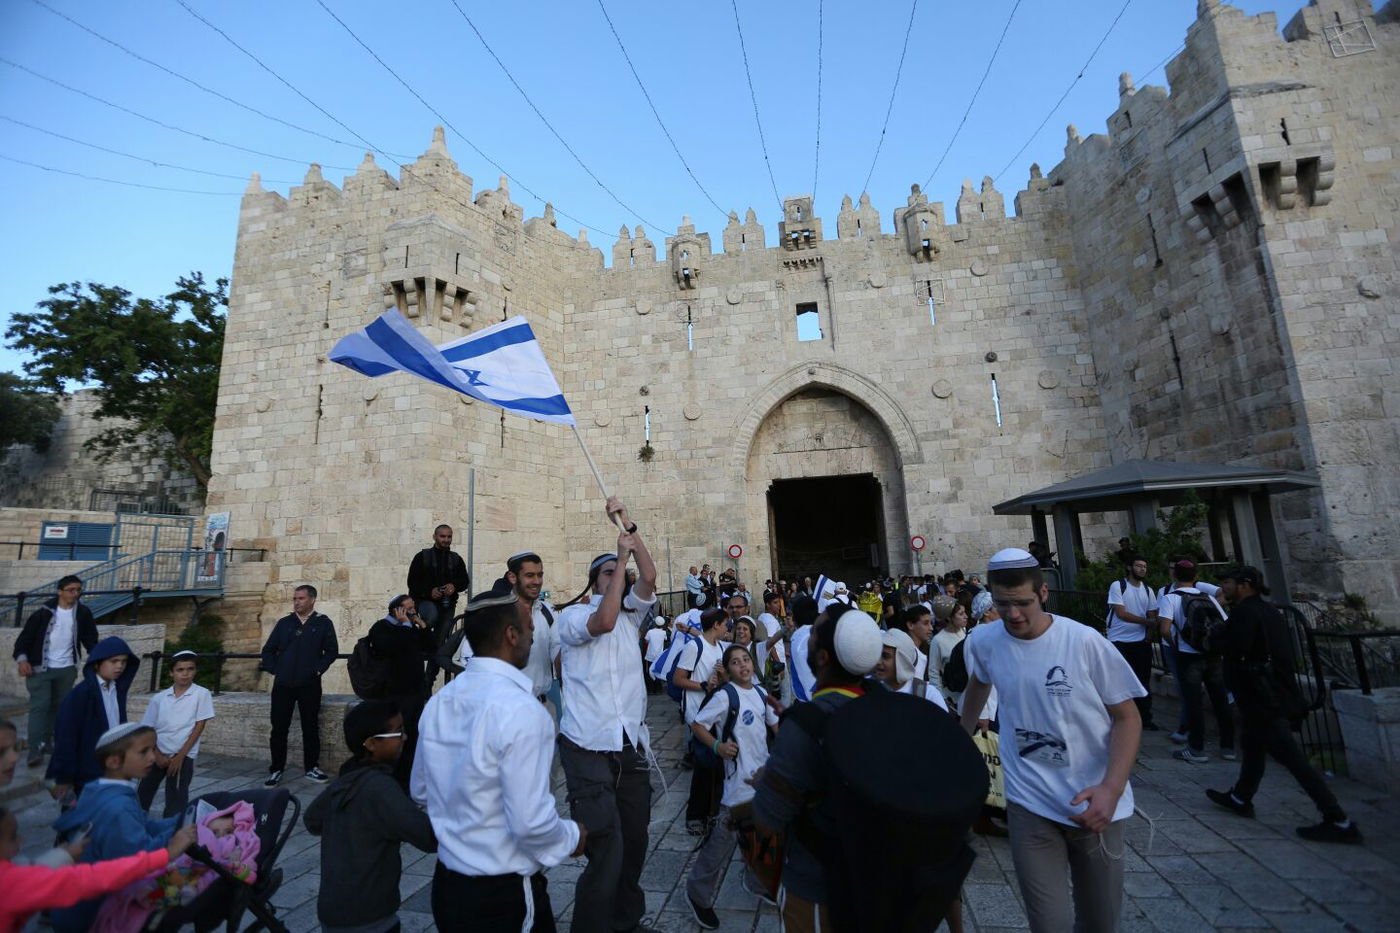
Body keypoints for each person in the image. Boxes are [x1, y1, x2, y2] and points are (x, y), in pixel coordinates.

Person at [958, 548, 1145, 933]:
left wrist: (1111, 788)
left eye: (1023, 603)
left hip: (1094, 804)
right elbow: (979, 681)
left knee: (1099, 921)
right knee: (1049, 924)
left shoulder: (1084, 642)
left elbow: (1128, 718)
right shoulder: (984, 640)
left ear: (1043, 594)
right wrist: (959, 740)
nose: (1013, 615)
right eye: (1002, 604)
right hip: (1030, 804)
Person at [416, 590, 585, 932]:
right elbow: (530, 823)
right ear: (511, 635)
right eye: (529, 629)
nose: (533, 636)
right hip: (501, 892)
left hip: (448, 884)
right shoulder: (522, 710)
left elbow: (421, 790)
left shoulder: (440, 701)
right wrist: (573, 837)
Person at [555, 498, 657, 933]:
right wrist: (618, 556)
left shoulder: (634, 613)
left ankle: (626, 921)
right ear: (593, 582)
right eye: (608, 575)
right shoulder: (574, 617)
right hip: (587, 745)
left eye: (619, 576)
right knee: (605, 844)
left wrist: (631, 530)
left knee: (634, 841)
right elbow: (604, 621)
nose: (618, 578)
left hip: (627, 741)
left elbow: (649, 576)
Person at [752, 604, 885, 931]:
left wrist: (767, 778)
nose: (806, 637)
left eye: (812, 634)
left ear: (823, 657)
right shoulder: (885, 703)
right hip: (881, 877)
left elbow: (768, 820)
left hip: (818, 886)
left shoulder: (805, 726)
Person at [1205, 566, 1362, 844]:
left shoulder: (1245, 612)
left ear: (1244, 585)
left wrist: (1215, 636)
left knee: (1294, 760)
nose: (1223, 589)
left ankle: (1338, 819)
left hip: (1261, 699)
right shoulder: (1271, 611)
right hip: (1267, 694)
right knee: (1251, 746)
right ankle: (1241, 797)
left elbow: (1236, 648)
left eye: (1227, 583)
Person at [306, 699, 438, 933]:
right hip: (369, 915)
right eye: (397, 733)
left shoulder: (346, 779)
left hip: (332, 909)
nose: (404, 738)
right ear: (370, 743)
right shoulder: (380, 789)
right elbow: (427, 836)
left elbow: (313, 820)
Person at [50, 723, 187, 933]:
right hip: (93, 913)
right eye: (144, 751)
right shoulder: (117, 808)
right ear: (114, 761)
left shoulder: (101, 789)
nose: (152, 757)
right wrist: (177, 837)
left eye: (153, 749)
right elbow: (138, 859)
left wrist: (178, 823)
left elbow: (143, 824)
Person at [684, 644, 780, 929]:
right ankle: (698, 894)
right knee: (721, 844)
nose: (743, 666)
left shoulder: (762, 694)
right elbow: (698, 725)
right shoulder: (726, 696)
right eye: (736, 662)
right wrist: (717, 745)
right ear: (727, 670)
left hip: (761, 783)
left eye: (746, 660)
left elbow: (777, 728)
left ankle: (756, 881)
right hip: (737, 784)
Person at [1, 804, 197, 933]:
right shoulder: (11, 883)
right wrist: (166, 854)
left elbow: (31, 877)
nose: (21, 841)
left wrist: (63, 856)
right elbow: (97, 876)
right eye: (12, 837)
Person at [12, 575, 98, 768]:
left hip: (67, 669)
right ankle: (35, 748)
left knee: (59, 707)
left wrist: (97, 658)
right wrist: (22, 660)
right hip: (40, 669)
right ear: (60, 591)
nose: (75, 594)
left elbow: (90, 638)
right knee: (40, 707)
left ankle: (48, 741)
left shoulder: (83, 613)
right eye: (71, 590)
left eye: (78, 590)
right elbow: (23, 641)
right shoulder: (43, 613)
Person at [260, 584, 339, 786]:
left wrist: (317, 670)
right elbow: (268, 650)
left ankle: (311, 767)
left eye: (301, 598)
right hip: (283, 684)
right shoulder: (284, 623)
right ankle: (276, 769)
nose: (297, 602)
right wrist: (275, 669)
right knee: (279, 728)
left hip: (309, 684)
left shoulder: (323, 623)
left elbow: (331, 651)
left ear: (312, 600)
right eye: (295, 598)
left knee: (310, 727)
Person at [1157, 559, 1235, 763]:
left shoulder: (1170, 598)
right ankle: (1228, 747)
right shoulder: (1208, 597)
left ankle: (1196, 748)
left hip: (1188, 656)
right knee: (1220, 699)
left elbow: (1164, 629)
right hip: (1212, 655)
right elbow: (1225, 624)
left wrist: (1174, 645)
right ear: (1196, 577)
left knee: (1193, 701)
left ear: (1174, 576)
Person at [47, 635, 138, 801]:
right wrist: (64, 776)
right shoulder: (80, 695)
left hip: (113, 769)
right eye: (114, 661)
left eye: (124, 661)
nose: (120, 666)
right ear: (97, 664)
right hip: (87, 774)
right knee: (81, 820)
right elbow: (66, 737)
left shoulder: (117, 691)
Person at [368, 595, 436, 786]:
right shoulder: (382, 628)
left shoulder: (411, 627)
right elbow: (394, 647)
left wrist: (422, 626)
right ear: (397, 611)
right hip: (395, 693)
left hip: (415, 692)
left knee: (414, 738)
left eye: (413, 607)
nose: (413, 610)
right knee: (396, 738)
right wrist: (406, 626)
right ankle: (394, 781)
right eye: (409, 608)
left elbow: (431, 647)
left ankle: (410, 780)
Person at [137, 650, 215, 817]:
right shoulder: (160, 698)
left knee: (177, 797)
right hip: (157, 752)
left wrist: (180, 756)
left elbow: (199, 726)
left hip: (183, 754)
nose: (185, 674)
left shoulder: (201, 694)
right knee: (144, 792)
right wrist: (157, 754)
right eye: (180, 670)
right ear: (171, 672)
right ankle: (135, 826)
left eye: (190, 669)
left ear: (195, 670)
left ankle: (172, 833)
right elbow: (147, 728)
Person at [674, 608, 731, 834]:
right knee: (705, 767)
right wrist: (703, 686)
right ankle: (696, 815)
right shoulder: (694, 647)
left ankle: (712, 813)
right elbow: (679, 679)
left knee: (716, 767)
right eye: (726, 623)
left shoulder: (719, 648)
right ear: (716, 624)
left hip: (716, 714)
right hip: (699, 715)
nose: (728, 628)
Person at [1106, 557, 1160, 731]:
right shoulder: (1118, 586)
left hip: (1140, 640)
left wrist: (1148, 635)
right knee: (1119, 681)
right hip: (1119, 639)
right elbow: (1121, 613)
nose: (1142, 569)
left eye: (1145, 566)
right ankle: (1119, 717)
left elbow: (1152, 614)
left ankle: (1145, 717)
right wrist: (1146, 623)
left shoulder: (1148, 590)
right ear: (1130, 567)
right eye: (1138, 565)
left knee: (1143, 680)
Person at [506, 551, 560, 709]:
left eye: (540, 575)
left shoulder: (549, 611)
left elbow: (559, 654)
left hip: (543, 706)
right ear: (512, 577)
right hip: (509, 708)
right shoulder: (497, 613)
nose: (537, 581)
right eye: (530, 575)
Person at [406, 524, 470, 643]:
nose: (446, 540)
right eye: (442, 536)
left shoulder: (456, 559)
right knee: (431, 617)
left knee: (439, 642)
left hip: (447, 605)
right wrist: (429, 592)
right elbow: (412, 582)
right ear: (434, 537)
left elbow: (464, 581)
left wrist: (454, 586)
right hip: (425, 602)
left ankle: (431, 656)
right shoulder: (422, 557)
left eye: (449, 537)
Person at [874, 629, 947, 710]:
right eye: (877, 654)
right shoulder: (869, 688)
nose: (878, 661)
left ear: (902, 660)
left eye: (885, 656)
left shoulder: (928, 694)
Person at [929, 596, 968, 708]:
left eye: (965, 613)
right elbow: (934, 673)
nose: (966, 617)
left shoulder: (965, 632)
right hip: (952, 699)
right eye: (961, 614)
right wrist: (942, 700)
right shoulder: (938, 640)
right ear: (949, 618)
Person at [784, 595, 820, 703]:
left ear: (795, 617)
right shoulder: (818, 632)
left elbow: (807, 676)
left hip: (808, 702)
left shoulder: (799, 637)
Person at [643, 616, 668, 695]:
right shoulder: (663, 633)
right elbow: (666, 639)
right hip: (659, 655)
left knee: (649, 671)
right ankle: (658, 689)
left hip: (650, 655)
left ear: (655, 623)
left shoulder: (650, 632)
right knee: (657, 671)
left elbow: (646, 641)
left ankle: (650, 689)